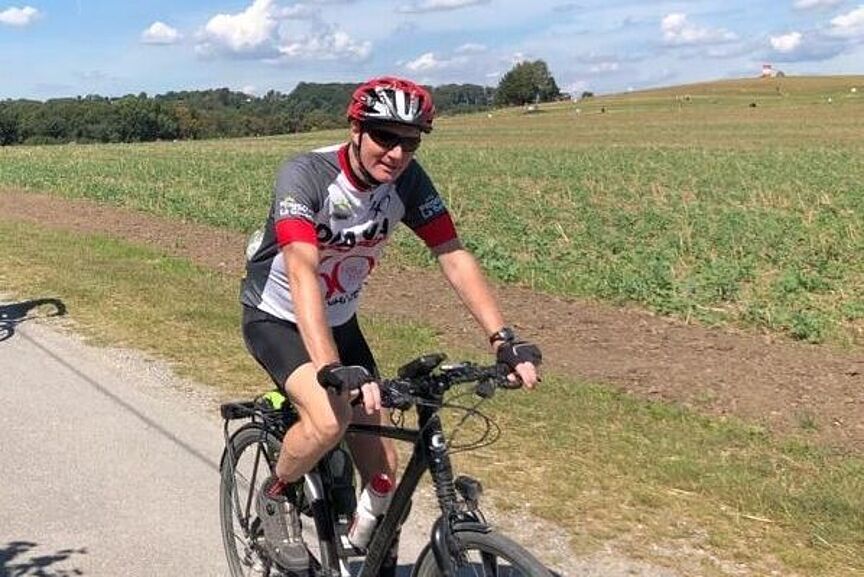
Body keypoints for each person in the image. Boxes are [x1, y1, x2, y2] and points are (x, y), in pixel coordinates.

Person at [239, 76, 542, 573]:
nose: (398, 153)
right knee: (328, 420)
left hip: (339, 320)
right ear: (355, 129)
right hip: (278, 318)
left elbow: (451, 252)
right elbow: (300, 266)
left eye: (412, 141)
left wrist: (502, 338)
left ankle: (360, 554)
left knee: (382, 468)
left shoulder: (407, 181)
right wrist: (330, 368)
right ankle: (275, 495)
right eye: (385, 136)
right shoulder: (307, 174)